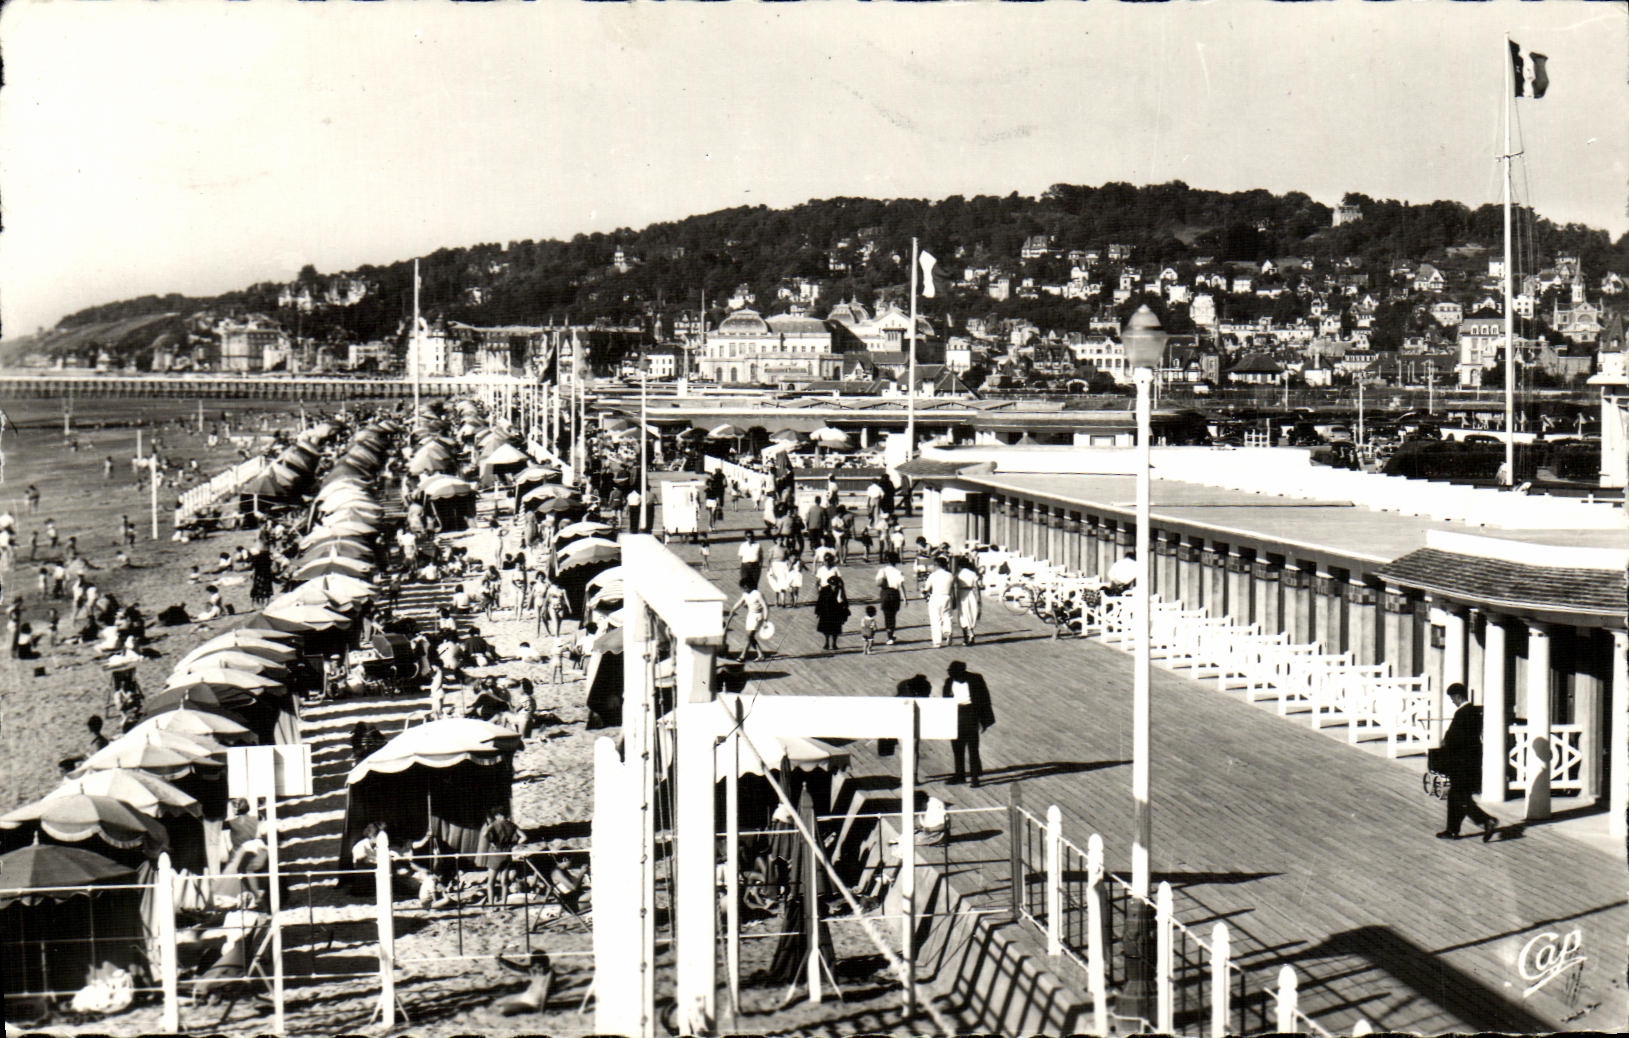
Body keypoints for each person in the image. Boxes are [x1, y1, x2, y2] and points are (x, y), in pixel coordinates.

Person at [1436, 683, 1499, 842]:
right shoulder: (1475, 712)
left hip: (1461, 764)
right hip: (1471, 763)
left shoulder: (1462, 714)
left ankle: (1486, 821)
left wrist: (1445, 741)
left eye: (1453, 699)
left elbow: (1456, 739)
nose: (1453, 702)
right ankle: (1452, 830)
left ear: (1458, 696)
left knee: (1459, 797)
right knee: (1458, 797)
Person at [942, 660, 995, 787]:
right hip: (956, 713)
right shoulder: (949, 681)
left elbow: (985, 700)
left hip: (971, 713)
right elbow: (945, 700)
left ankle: (975, 777)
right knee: (957, 748)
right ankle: (959, 775)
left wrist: (983, 721)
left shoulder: (976, 679)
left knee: (973, 748)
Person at [727, 585, 770, 662]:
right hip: (750, 616)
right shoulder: (745, 594)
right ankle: (760, 655)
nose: (743, 590)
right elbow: (740, 602)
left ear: (748, 586)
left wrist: (765, 620)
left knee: (750, 636)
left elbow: (765, 607)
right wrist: (733, 609)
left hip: (758, 616)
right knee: (750, 637)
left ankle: (742, 656)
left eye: (744, 588)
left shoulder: (758, 594)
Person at [924, 555, 956, 649]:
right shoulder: (950, 575)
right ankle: (948, 631)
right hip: (947, 597)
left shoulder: (933, 575)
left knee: (935, 619)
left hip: (935, 597)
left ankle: (937, 642)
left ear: (936, 565)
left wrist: (924, 593)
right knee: (947, 616)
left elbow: (926, 589)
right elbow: (952, 589)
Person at [875, 552, 907, 644]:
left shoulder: (882, 570)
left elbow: (878, 582)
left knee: (886, 615)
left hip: (885, 593)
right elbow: (901, 586)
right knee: (892, 616)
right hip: (895, 594)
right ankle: (891, 635)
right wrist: (905, 598)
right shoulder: (898, 572)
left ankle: (889, 634)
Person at [814, 572, 850, 652]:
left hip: (836, 613)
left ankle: (834, 643)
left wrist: (845, 607)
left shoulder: (840, 590)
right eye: (832, 584)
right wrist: (818, 611)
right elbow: (820, 601)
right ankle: (826, 642)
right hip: (826, 612)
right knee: (826, 630)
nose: (833, 586)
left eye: (835, 584)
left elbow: (844, 600)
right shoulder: (824, 589)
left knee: (835, 630)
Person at [954, 558, 983, 646]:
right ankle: (971, 632)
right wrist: (979, 598)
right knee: (971, 613)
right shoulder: (973, 573)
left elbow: (954, 586)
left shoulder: (958, 574)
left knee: (963, 614)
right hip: (971, 594)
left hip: (962, 594)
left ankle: (966, 636)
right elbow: (977, 587)